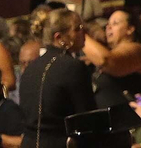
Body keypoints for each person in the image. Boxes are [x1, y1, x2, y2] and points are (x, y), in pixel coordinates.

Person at [16, 9, 95, 148]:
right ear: (59, 38)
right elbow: (86, 120)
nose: (84, 33)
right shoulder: (73, 67)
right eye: (77, 29)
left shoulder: (30, 67)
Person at [80, 9, 141, 110]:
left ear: (130, 29)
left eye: (115, 23)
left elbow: (106, 60)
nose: (108, 27)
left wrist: (79, 34)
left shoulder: (137, 50)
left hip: (128, 120)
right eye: (108, 24)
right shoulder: (108, 51)